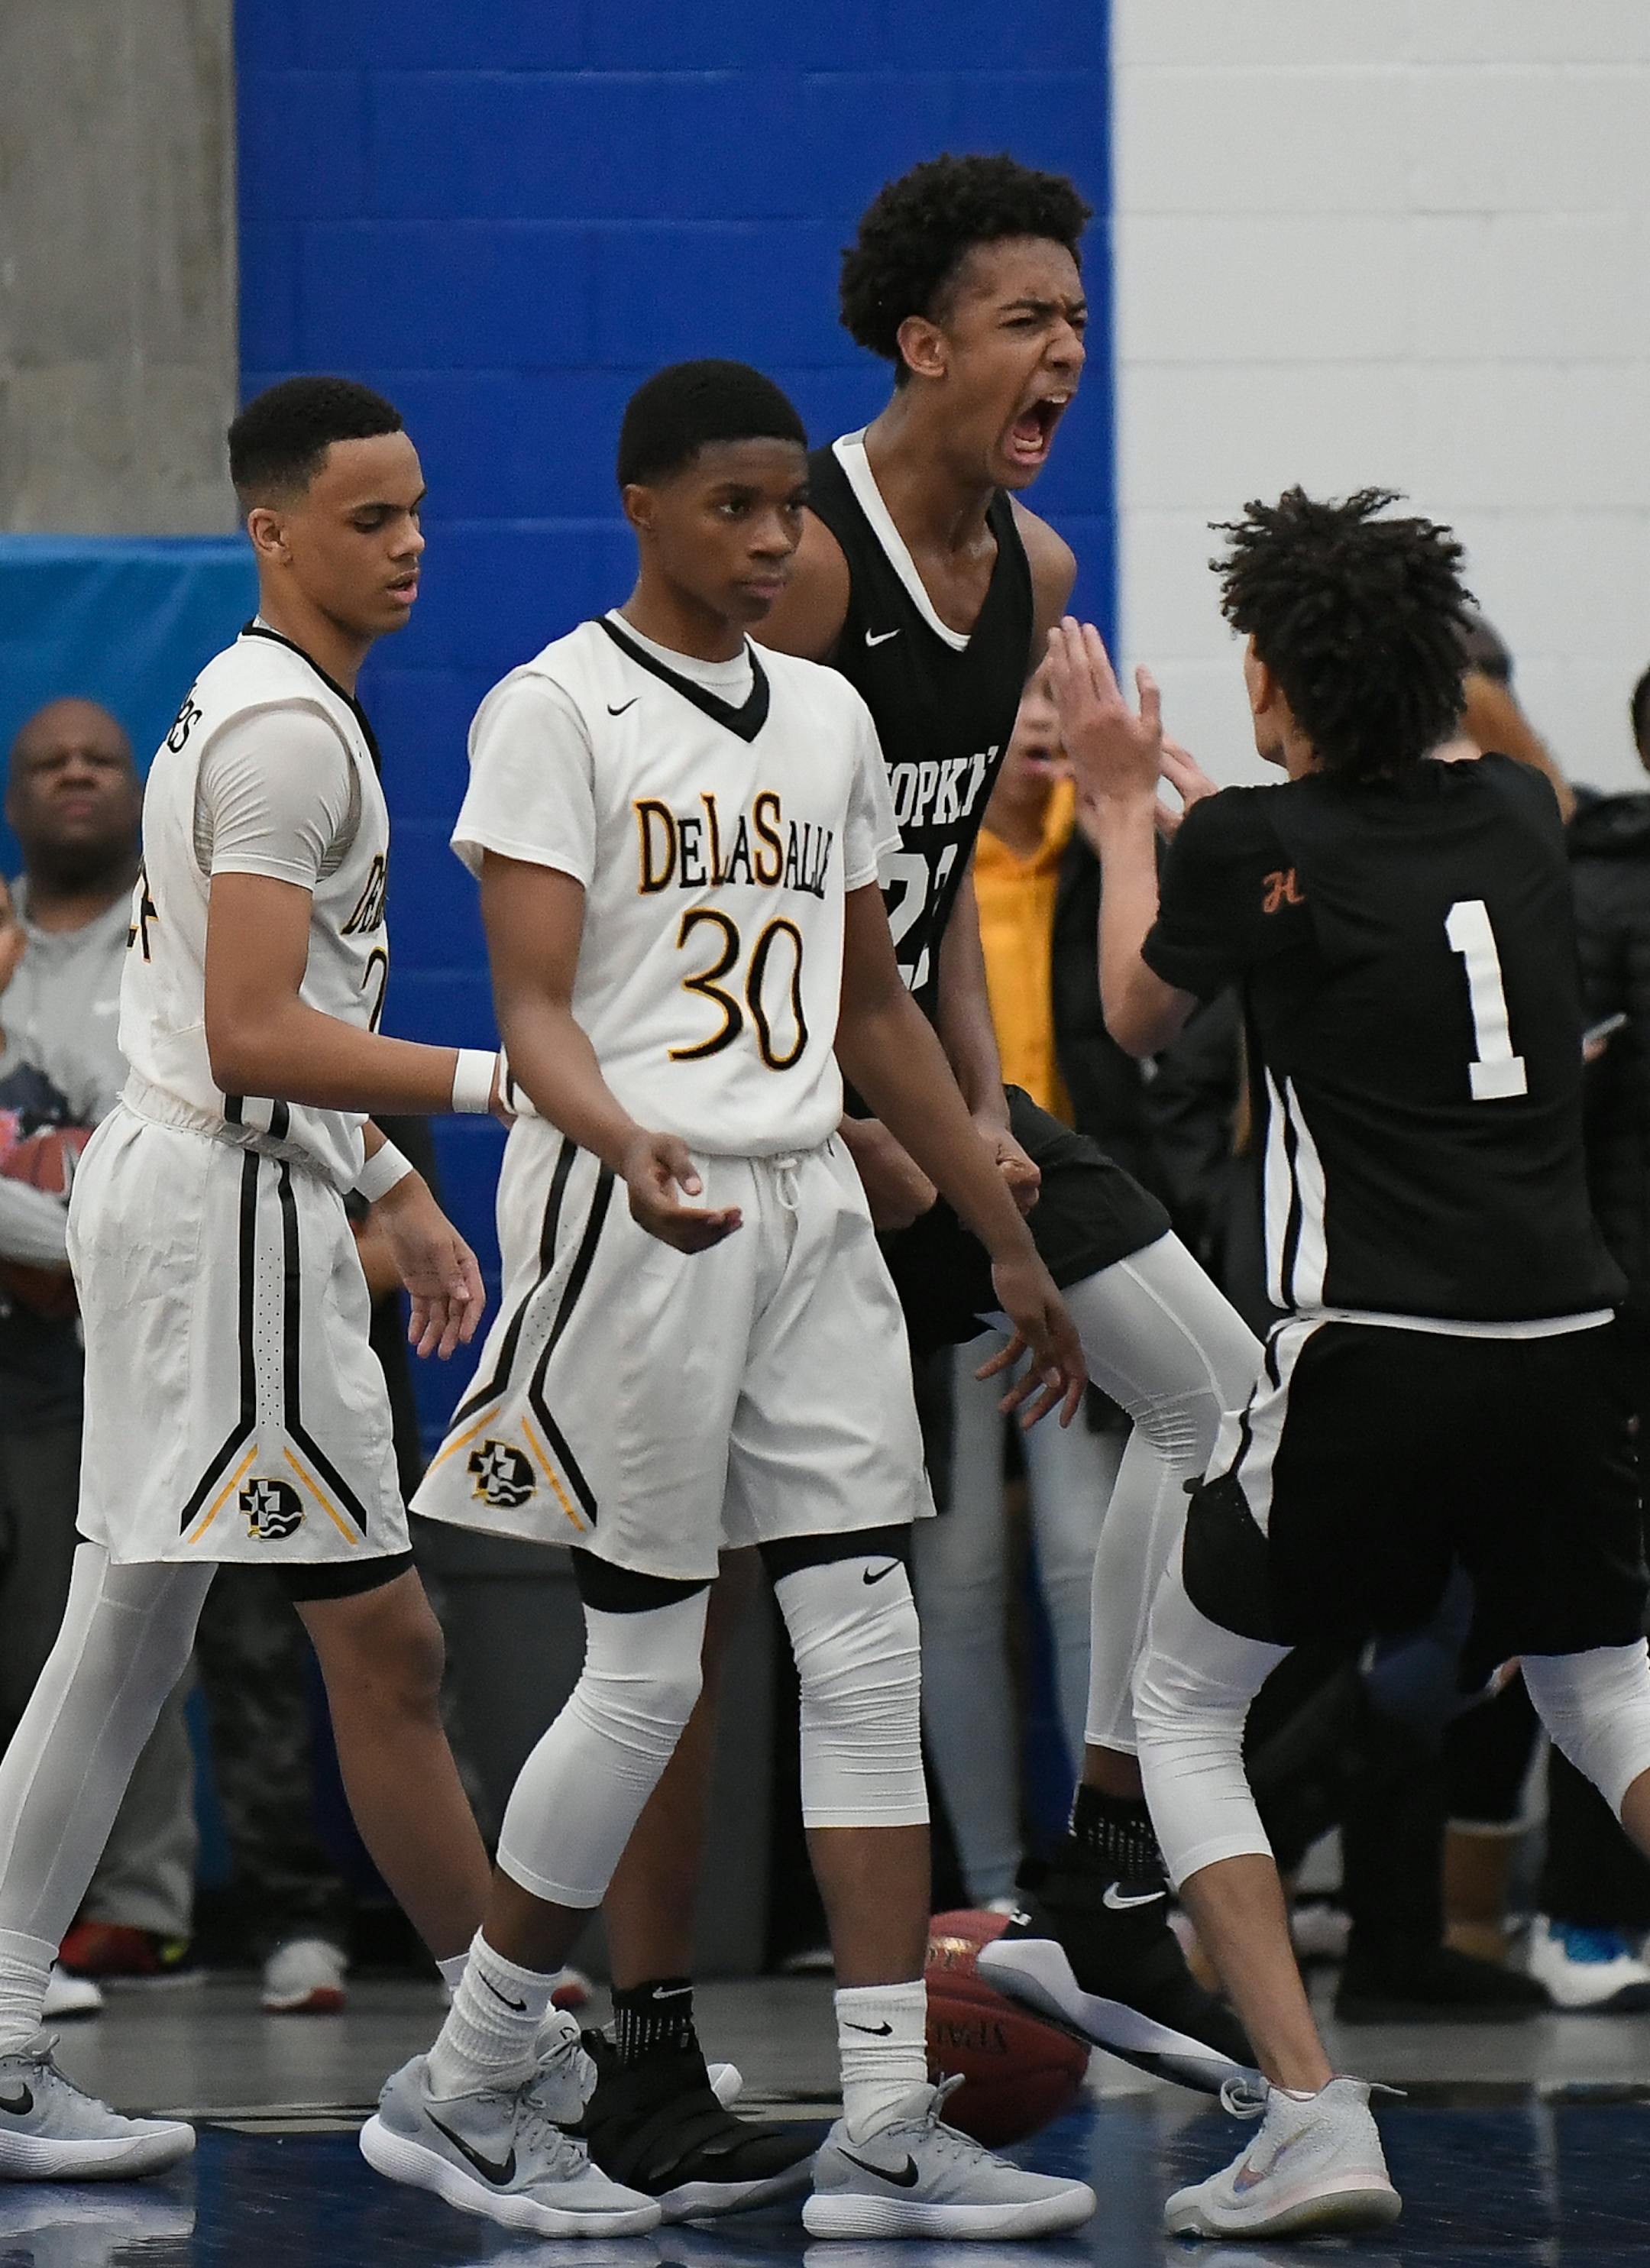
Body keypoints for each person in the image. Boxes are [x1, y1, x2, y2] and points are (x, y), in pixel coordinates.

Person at [374, 359, 1095, 2244]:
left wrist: (1005, 1239)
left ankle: (878, 2123)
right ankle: (464, 2079)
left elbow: (872, 1003)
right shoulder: (559, 708)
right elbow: (530, 1004)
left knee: (863, 1650)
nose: (777, 539)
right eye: (736, 510)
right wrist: (622, 1144)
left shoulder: (833, 719)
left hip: (805, 1214)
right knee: (643, 1676)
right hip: (639, 1207)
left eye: (791, 507)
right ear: (645, 509)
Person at [1058, 485, 1650, 2238]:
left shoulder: (1247, 842)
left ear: (1276, 676)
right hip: (1565, 1340)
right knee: (1600, 1691)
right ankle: (1307, 2105)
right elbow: (1415, 814)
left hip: (1371, 1353)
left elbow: (1137, 1014)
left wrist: (1115, 812)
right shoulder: (1528, 816)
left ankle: (1313, 2114)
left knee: (1184, 1705)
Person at [753, 154, 1259, 2092]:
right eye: (1028, 316)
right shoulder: (800, 556)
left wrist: (978, 1112)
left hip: (925, 1084)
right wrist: (897, 1140)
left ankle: (1104, 1863)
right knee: (751, 1613)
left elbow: (935, 883)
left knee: (1223, 1397)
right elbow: (760, 895)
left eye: (1078, 312)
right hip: (774, 1111)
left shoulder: (1035, 573)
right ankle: (558, 2034)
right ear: (923, 340)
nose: (1068, 346)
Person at [0, 374, 506, 2180]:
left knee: (123, 1638)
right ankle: (497, 2078)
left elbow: (250, 1019)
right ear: (273, 532)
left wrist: (398, 1188)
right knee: (386, 1640)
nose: (413, 546)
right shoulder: (288, 734)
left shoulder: (259, 701)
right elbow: (250, 1027)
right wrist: (509, 1089)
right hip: (224, 1221)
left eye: (420, 510)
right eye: (370, 520)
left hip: (216, 1191)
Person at [917, 669, 1131, 1899]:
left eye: (1059, 731)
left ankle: (1099, 1880)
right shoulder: (930, 874)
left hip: (1074, 1235)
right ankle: (994, 1884)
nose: (1044, 746)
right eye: (1025, 729)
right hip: (942, 1239)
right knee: (955, 1574)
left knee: (1081, 1554)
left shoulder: (1098, 864)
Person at [0, 705, 198, 2010]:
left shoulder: (171, 931)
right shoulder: (0, 933)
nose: (76, 774)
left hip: (137, 1311)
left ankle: (132, 1902)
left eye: (100, 758)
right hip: (23, 1308)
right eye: (46, 761)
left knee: (140, 1608)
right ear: (15, 794)